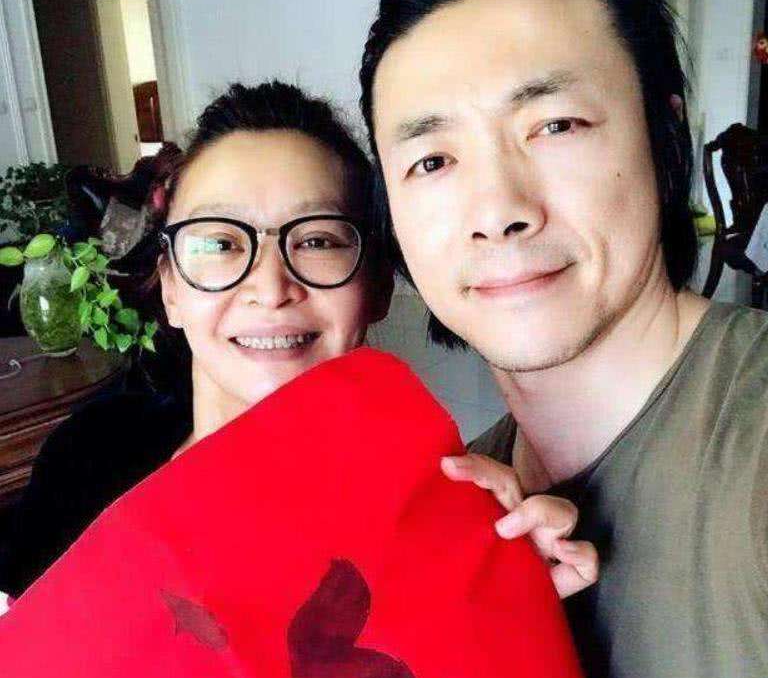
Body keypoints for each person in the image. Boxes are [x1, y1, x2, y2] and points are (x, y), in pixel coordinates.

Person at [360, 0, 768, 678]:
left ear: (664, 135)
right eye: (432, 159)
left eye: (555, 125)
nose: (498, 210)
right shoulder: (458, 511)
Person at [0, 80, 593, 605]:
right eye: (219, 243)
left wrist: (516, 610)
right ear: (172, 289)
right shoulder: (89, 457)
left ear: (377, 287)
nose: (269, 288)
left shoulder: (441, 518)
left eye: (317, 241)